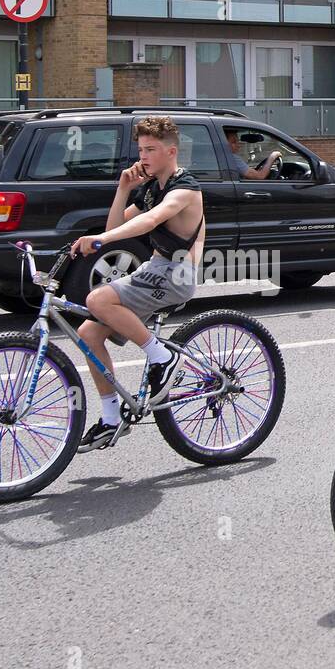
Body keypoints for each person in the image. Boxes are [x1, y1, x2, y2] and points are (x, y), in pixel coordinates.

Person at [69, 115, 206, 451]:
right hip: (155, 268)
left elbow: (151, 221)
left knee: (98, 300)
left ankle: (164, 357)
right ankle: (111, 418)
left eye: (151, 149)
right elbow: (116, 225)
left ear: (171, 151)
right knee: (88, 334)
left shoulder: (184, 188)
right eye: (141, 149)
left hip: (177, 273)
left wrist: (99, 240)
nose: (143, 156)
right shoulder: (148, 189)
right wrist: (122, 189)